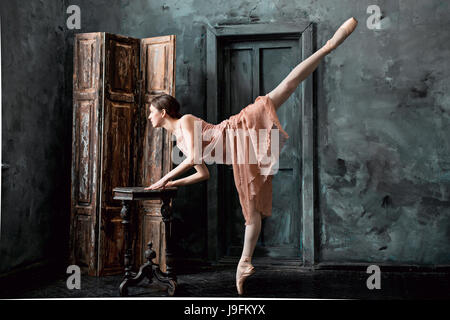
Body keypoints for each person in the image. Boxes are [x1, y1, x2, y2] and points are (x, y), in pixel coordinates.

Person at [145, 17, 358, 296]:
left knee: (287, 87)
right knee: (252, 210)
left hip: (239, 128)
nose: (149, 116)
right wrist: (174, 185)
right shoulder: (180, 142)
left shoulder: (184, 121)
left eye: (151, 111)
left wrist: (164, 179)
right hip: (240, 152)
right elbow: (203, 173)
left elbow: (196, 156)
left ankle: (329, 46)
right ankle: (244, 263)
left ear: (162, 112)